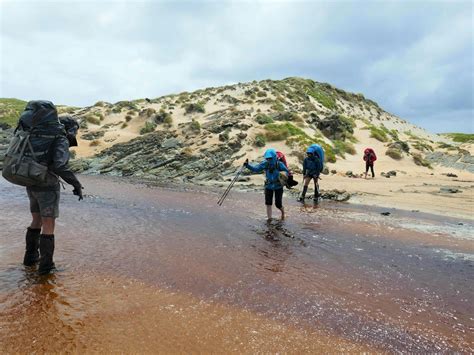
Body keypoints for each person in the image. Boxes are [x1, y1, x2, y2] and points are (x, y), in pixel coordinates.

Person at [17, 101, 83, 275]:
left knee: (36, 220)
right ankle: (46, 267)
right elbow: (60, 166)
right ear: (71, 129)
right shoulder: (59, 137)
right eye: (75, 131)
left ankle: (30, 259)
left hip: (31, 181)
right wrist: (76, 184)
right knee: (48, 224)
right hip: (46, 185)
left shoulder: (40, 134)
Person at [244, 149, 289, 221]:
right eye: (267, 158)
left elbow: (286, 171)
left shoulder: (279, 164)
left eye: (270, 158)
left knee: (278, 204)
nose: (268, 159)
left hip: (278, 186)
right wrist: (248, 165)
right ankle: (269, 219)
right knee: (268, 203)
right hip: (268, 186)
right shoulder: (265, 163)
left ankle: (283, 213)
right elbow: (256, 169)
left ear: (274, 157)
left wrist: (284, 175)